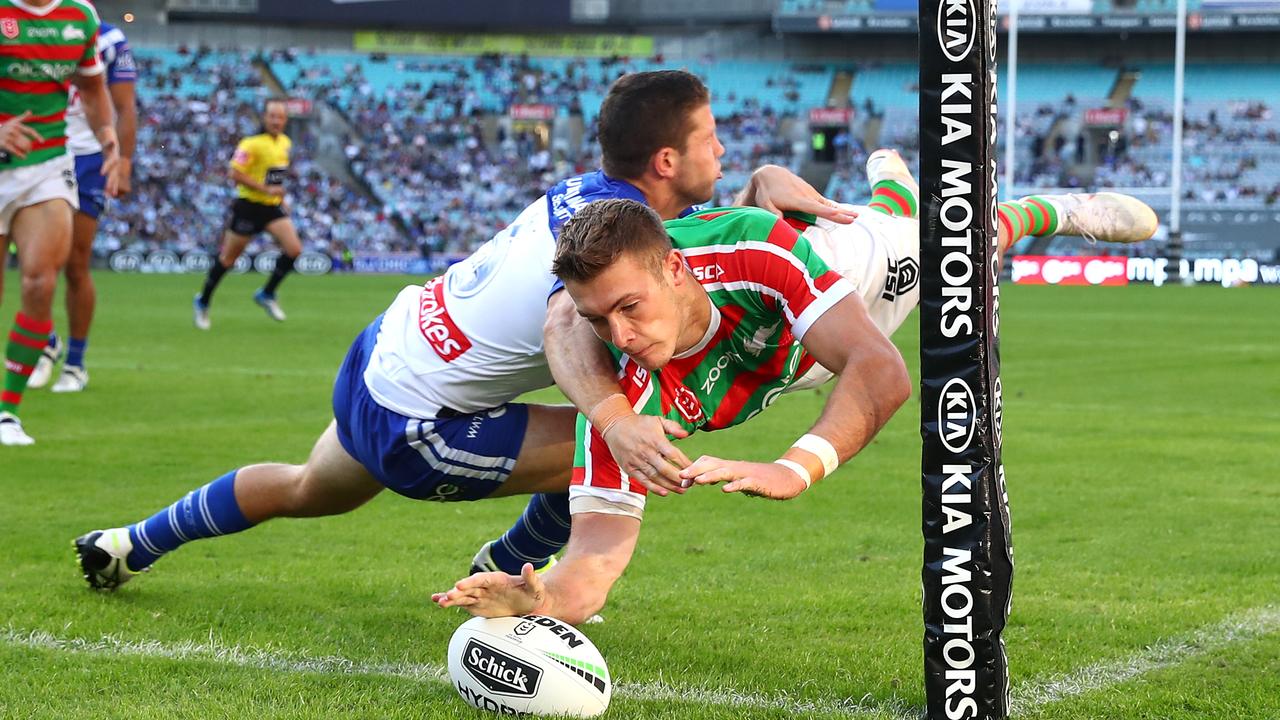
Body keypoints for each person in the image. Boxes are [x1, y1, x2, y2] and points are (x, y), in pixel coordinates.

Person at [73, 70, 850, 589]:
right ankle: (510, 570)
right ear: (666, 157)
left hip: (382, 353)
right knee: (631, 448)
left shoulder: (597, 199)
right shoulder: (626, 243)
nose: (723, 148)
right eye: (712, 137)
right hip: (421, 423)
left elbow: (689, 231)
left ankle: (128, 543)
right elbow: (563, 321)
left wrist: (757, 188)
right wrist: (613, 421)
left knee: (309, 487)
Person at [431, 150, 1159, 624]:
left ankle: (1054, 208)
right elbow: (597, 560)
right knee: (905, 223)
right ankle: (893, 191)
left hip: (846, 279)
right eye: (601, 318)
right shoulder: (618, 398)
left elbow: (880, 372)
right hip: (787, 359)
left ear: (676, 269)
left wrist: (793, 466)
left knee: (960, 244)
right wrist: (543, 598)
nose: (619, 335)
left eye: (630, 308)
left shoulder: (750, 248)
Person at [0, 0, 123, 446]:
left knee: (40, 284)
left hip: (48, 162)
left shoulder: (80, 16)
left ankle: (6, 413)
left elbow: (91, 88)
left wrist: (108, 137)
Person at [24, 20, 137, 393]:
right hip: (39, 150)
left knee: (76, 262)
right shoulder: (24, 27)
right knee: (34, 262)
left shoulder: (107, 37)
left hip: (88, 157)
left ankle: (75, 362)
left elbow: (124, 105)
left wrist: (123, 162)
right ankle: (45, 340)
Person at [192, 98, 300, 329]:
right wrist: (266, 189)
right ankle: (203, 301)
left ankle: (267, 293)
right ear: (264, 118)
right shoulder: (251, 144)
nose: (276, 121)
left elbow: (274, 176)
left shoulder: (284, 143)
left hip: (271, 206)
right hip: (248, 206)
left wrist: (280, 198)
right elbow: (234, 173)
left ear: (285, 120)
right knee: (228, 260)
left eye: (280, 117)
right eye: (272, 116)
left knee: (294, 249)